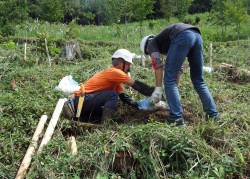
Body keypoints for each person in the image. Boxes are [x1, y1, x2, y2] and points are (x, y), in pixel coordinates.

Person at [140, 22, 219, 125]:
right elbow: (180, 69)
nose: (149, 54)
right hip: (197, 35)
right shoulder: (169, 44)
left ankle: (176, 117)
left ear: (146, 46)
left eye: (147, 53)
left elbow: (158, 66)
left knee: (168, 79)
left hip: (183, 35)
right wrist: (173, 92)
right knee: (198, 80)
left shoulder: (151, 44)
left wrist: (158, 90)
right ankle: (213, 115)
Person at [73, 49, 154, 125]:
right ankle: (105, 125)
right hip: (83, 100)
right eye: (128, 65)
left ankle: (88, 119)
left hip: (83, 103)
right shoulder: (115, 72)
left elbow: (123, 96)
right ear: (120, 64)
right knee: (112, 94)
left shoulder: (114, 78)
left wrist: (137, 105)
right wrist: (153, 91)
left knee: (104, 113)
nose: (129, 69)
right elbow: (136, 85)